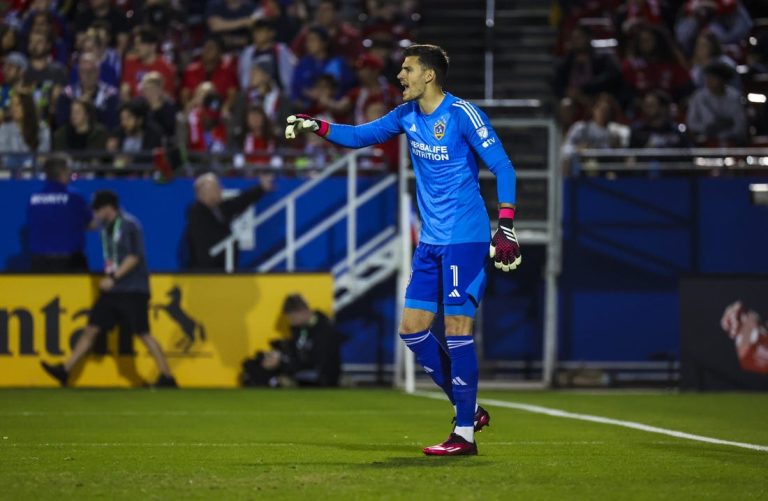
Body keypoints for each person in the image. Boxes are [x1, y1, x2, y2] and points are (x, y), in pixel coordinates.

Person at [284, 44, 521, 456]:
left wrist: (506, 225)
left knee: (457, 329)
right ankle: (470, 408)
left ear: (429, 75)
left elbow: (503, 166)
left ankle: (463, 433)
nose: (400, 76)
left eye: (407, 69)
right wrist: (315, 125)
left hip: (464, 238)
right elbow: (359, 137)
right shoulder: (406, 116)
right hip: (430, 241)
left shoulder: (462, 114)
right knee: (412, 329)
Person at [40, 190, 178, 387]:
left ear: (107, 208)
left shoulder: (129, 225)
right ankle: (65, 370)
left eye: (97, 209)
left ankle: (167, 376)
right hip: (114, 291)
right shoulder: (107, 227)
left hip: (133, 289)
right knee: (91, 328)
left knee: (143, 333)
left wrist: (113, 278)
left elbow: (133, 257)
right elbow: (90, 226)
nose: (95, 214)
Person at [184, 172, 272, 270]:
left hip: (224, 269)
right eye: (216, 187)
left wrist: (261, 188)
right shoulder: (197, 213)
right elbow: (208, 244)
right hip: (208, 273)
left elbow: (239, 202)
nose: (221, 190)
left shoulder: (217, 209)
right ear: (204, 192)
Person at [26, 154, 92, 272]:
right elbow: (90, 224)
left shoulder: (33, 198)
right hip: (70, 263)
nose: (71, 174)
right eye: (69, 170)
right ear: (63, 172)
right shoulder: (75, 197)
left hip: (39, 262)